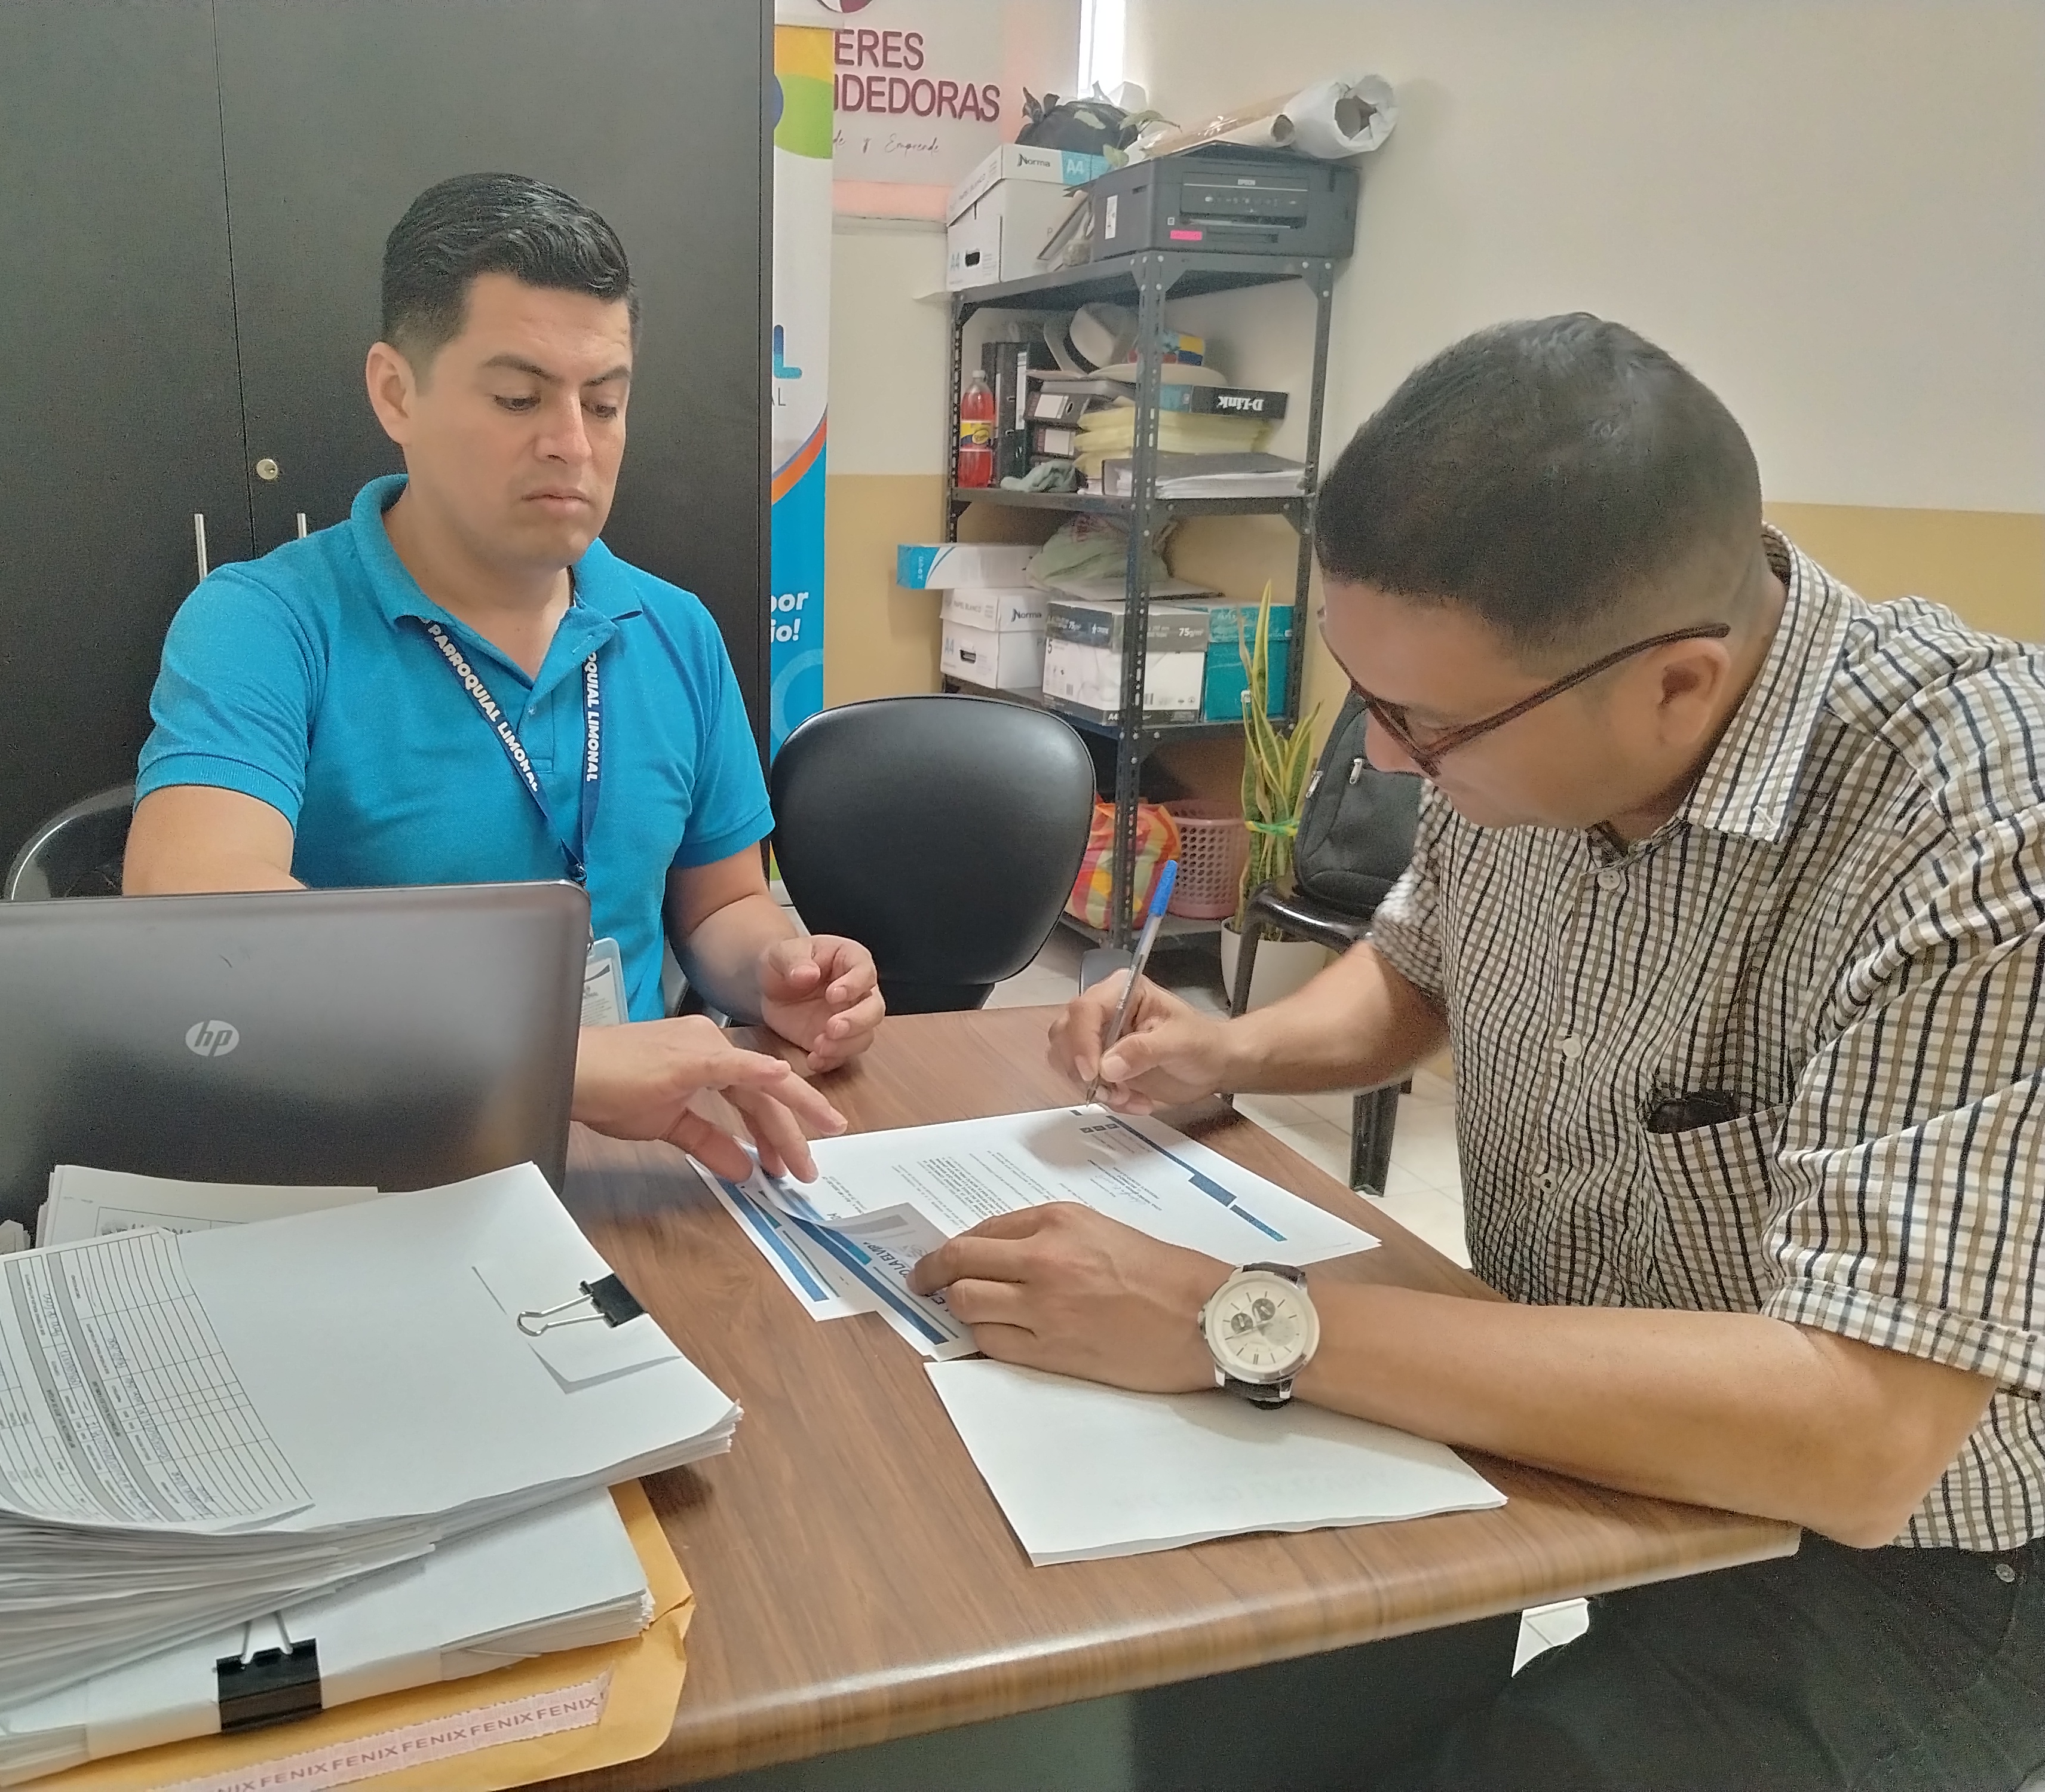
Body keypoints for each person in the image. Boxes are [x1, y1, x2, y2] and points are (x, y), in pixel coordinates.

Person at [909, 316, 2045, 1788]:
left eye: (1423, 726)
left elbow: (1862, 1434)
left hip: (1912, 1570)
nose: (1385, 760)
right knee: (1217, 1692)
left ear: (1676, 686)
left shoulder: (1983, 823)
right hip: (1588, 1444)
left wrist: (1224, 1315)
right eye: (1368, 696)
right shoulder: (1521, 709)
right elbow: (1417, 972)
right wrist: (1230, 1050)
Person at [124, 172, 881, 1183]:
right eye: (519, 398)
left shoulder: (676, 631)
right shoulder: (267, 623)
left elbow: (718, 905)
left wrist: (776, 969)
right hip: (364, 1156)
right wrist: (551, 1063)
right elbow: (198, 911)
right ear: (397, 392)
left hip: (635, 1153)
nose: (571, 444)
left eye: (604, 403)